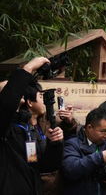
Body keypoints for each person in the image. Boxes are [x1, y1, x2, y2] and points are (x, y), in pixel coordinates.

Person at [0, 57, 64, 195]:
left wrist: (54, 144)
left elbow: (40, 166)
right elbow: (6, 104)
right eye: (8, 87)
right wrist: (28, 69)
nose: (16, 89)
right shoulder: (5, 126)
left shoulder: (25, 127)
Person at [62, 107, 106, 194]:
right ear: (89, 127)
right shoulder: (72, 144)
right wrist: (100, 157)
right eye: (103, 131)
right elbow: (70, 170)